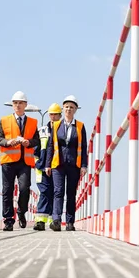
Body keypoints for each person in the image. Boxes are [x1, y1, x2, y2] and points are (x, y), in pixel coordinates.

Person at [0, 91, 40, 231]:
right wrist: (8, 142)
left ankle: (21, 212)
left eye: (21, 103)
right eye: (15, 103)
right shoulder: (4, 120)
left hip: (24, 162)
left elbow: (36, 140)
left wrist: (29, 143)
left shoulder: (33, 122)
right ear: (12, 105)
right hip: (8, 160)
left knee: (25, 188)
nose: (18, 105)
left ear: (26, 105)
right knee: (7, 190)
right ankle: (8, 220)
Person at [45, 95, 88, 231]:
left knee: (71, 193)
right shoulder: (56, 125)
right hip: (58, 164)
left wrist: (84, 165)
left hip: (74, 164)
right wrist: (47, 164)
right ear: (63, 109)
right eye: (66, 107)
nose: (69, 109)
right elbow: (50, 145)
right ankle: (56, 220)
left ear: (75, 110)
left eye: (72, 107)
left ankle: (70, 222)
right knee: (58, 191)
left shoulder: (80, 126)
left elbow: (84, 146)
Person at [33, 103, 62, 231]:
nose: (53, 116)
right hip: (42, 168)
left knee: (55, 193)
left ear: (60, 115)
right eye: (51, 114)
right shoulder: (42, 131)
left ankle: (52, 220)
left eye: (56, 114)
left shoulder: (63, 130)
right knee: (44, 192)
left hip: (56, 167)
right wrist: (40, 164)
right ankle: (40, 221)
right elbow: (36, 150)